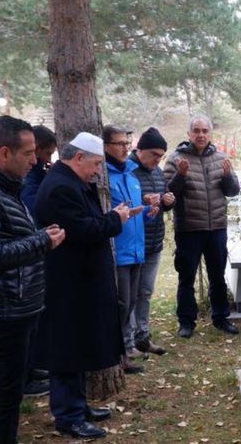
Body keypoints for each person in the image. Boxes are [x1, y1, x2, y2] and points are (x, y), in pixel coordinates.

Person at [35, 132, 133, 439]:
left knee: (77, 346)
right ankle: (68, 416)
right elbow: (81, 229)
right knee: (66, 348)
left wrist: (111, 218)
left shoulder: (69, 182)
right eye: (95, 164)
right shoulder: (62, 187)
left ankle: (77, 406)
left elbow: (86, 223)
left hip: (78, 279)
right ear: (78, 158)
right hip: (68, 282)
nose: (96, 172)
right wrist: (115, 219)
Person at [0, 116, 65, 443]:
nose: (35, 159)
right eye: (28, 153)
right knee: (6, 394)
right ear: (3, 153)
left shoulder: (5, 186)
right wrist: (42, 242)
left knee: (10, 393)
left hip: (15, 307)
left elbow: (5, 238)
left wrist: (38, 235)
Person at [164, 114, 241, 339]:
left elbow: (233, 191)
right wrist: (181, 175)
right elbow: (167, 194)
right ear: (189, 134)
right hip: (189, 227)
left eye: (204, 131)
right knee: (186, 277)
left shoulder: (221, 157)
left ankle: (221, 317)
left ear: (210, 134)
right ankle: (187, 321)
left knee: (217, 275)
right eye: (196, 131)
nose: (200, 135)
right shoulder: (175, 159)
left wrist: (227, 176)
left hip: (216, 226)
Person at [104, 125, 151, 374]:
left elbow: (133, 217)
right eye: (119, 143)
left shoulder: (132, 176)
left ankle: (125, 351)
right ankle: (117, 354)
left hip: (136, 251)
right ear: (105, 147)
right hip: (118, 252)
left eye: (126, 142)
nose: (125, 148)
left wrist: (149, 213)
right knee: (120, 304)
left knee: (130, 302)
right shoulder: (103, 177)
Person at [20, 124, 58, 396]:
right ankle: (26, 376)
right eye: (45, 153)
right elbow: (34, 209)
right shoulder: (28, 178)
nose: (42, 159)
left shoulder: (37, 172)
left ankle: (34, 366)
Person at [130, 127, 174, 356]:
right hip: (134, 242)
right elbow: (122, 202)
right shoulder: (128, 171)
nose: (158, 160)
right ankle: (129, 341)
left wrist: (168, 200)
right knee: (130, 295)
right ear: (141, 150)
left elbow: (164, 198)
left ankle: (143, 336)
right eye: (155, 154)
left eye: (161, 156)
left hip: (154, 241)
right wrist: (142, 200)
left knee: (145, 292)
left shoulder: (157, 172)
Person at [21, 124, 58, 221]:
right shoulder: (27, 173)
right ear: (36, 149)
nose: (49, 160)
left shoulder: (39, 168)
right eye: (48, 153)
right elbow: (34, 205)